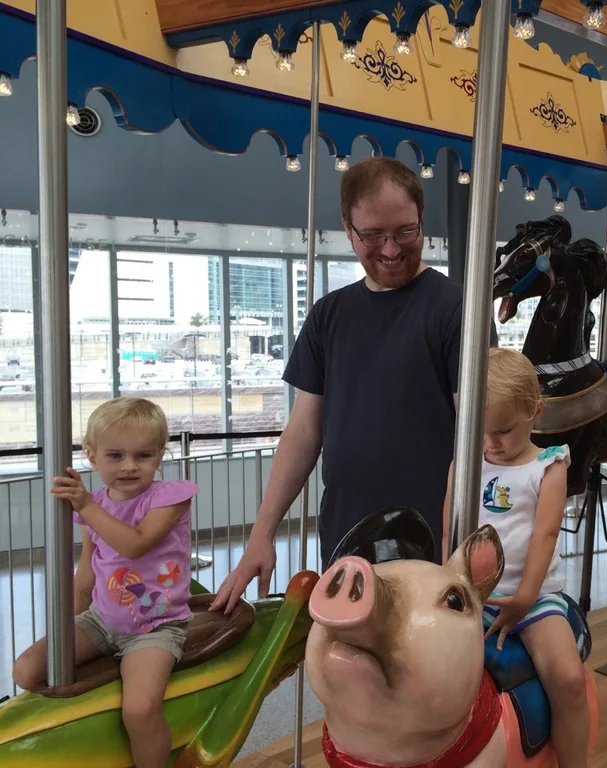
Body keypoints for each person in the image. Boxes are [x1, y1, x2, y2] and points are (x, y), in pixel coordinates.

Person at [211, 156, 495, 614]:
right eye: (374, 236)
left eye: (405, 232)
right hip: (346, 535)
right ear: (348, 229)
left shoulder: (455, 307)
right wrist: (261, 534)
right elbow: (304, 431)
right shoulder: (329, 314)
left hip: (434, 539)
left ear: (422, 221)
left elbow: (474, 436)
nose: (389, 249)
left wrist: (454, 545)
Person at [13, 398, 198, 768]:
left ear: (160, 455)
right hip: (102, 619)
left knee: (141, 708)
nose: (129, 466)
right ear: (93, 457)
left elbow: (134, 544)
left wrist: (85, 506)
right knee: (27, 669)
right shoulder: (95, 506)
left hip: (155, 628)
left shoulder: (168, 497)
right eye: (115, 456)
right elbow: (88, 570)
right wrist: (69, 621)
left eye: (143, 455)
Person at [443, 347, 588, 768]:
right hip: (473, 596)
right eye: (483, 432)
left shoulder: (549, 466)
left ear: (535, 411)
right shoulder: (468, 463)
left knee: (568, 678)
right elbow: (452, 520)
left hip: (533, 598)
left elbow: (545, 534)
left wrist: (525, 596)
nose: (492, 443)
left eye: (503, 431)